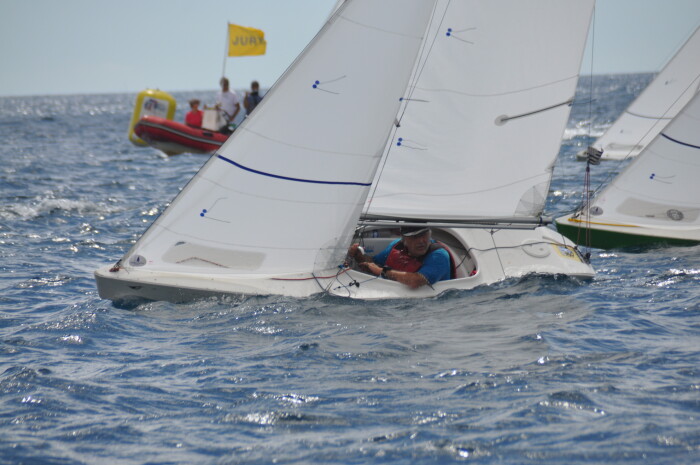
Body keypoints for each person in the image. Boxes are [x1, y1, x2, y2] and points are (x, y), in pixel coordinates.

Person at [347, 226, 452, 289]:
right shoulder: (396, 246)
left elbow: (416, 281)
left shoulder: (439, 255)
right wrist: (358, 256)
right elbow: (373, 263)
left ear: (430, 235)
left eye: (424, 235)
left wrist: (382, 271)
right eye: (415, 237)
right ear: (404, 240)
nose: (421, 241)